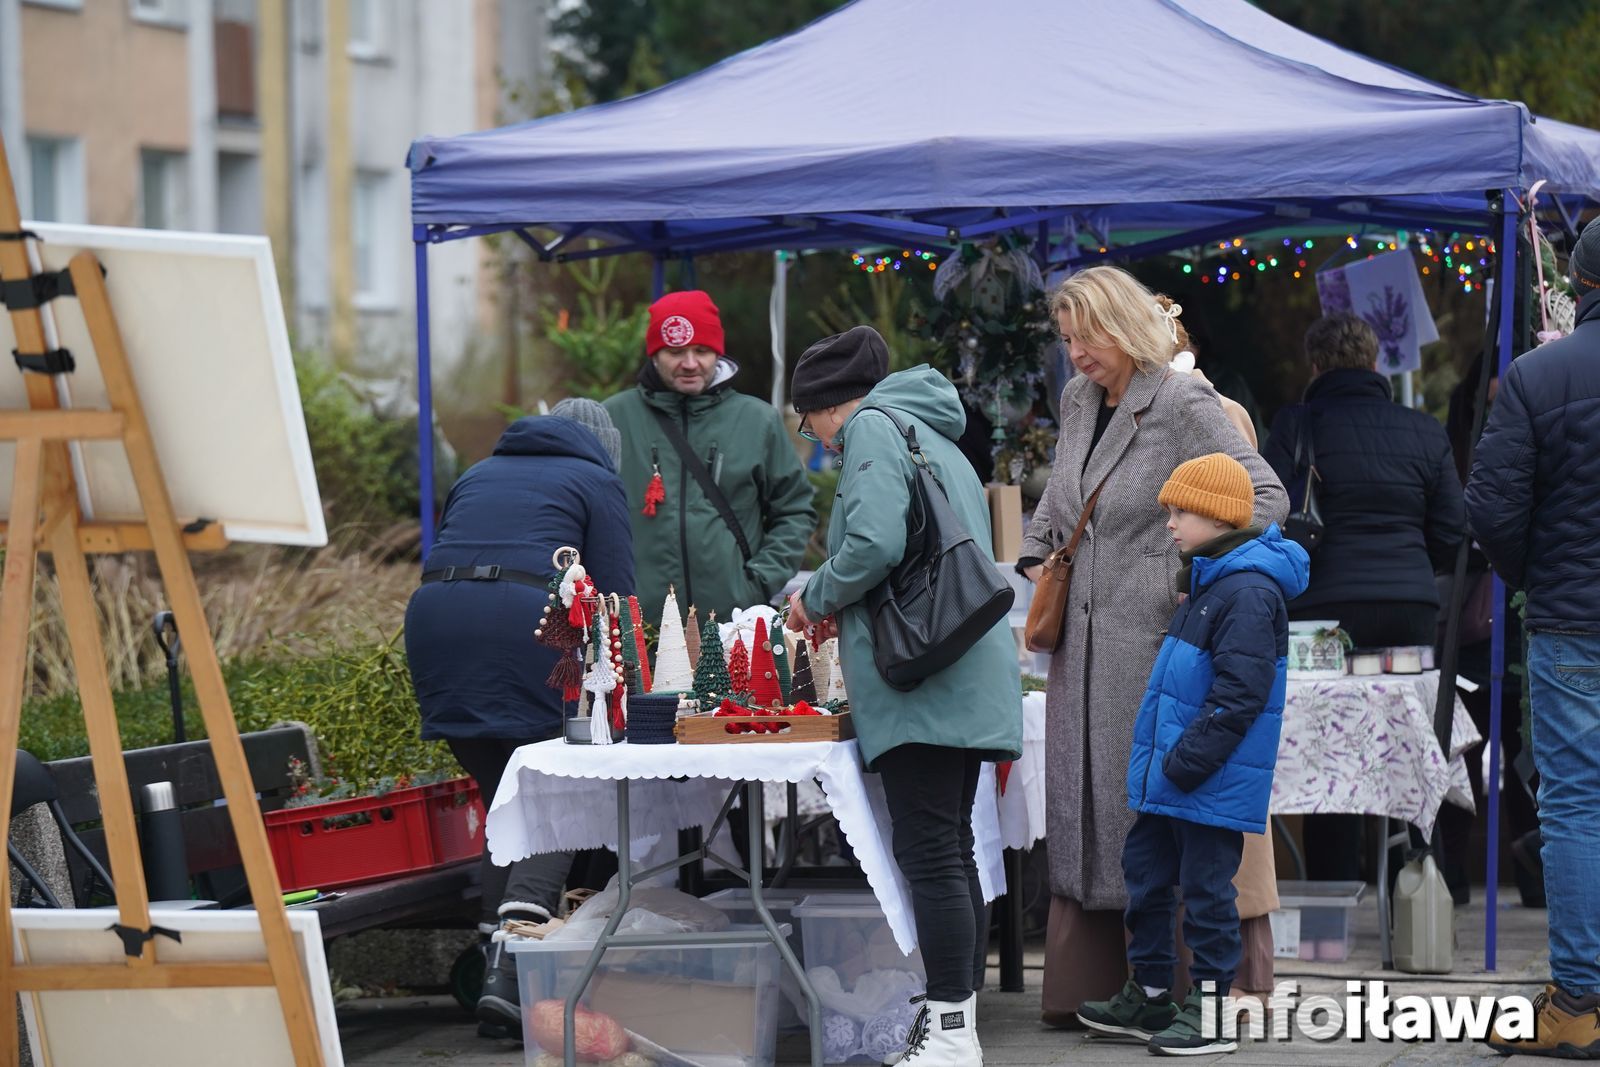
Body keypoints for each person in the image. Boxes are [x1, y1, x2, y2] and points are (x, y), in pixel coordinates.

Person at [1019, 266, 1287, 1026]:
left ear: (1125, 327)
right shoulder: (1078, 400)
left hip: (1156, 644)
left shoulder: (1181, 400)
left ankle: (1183, 991)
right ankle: (1118, 986)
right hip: (1080, 648)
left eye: (1087, 337)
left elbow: (1266, 498)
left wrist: (1191, 575)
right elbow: (1060, 499)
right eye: (1066, 339)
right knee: (1101, 816)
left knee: (1151, 816)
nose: (1075, 353)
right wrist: (1038, 555)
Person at [785, 326, 1022, 1066]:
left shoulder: (871, 430)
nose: (820, 439)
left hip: (922, 680)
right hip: (961, 667)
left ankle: (949, 1034)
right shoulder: (933, 431)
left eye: (810, 423)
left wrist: (814, 596)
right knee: (951, 849)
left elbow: (874, 543)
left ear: (829, 406)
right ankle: (956, 1022)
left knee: (931, 854)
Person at [404, 398, 633, 1032]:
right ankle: (513, 966)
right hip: (522, 628)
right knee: (561, 790)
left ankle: (492, 964)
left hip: (436, 626)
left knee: (506, 799)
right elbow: (615, 595)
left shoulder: (477, 472)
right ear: (605, 446)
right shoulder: (596, 479)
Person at [1078, 453, 1307, 1055]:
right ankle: (1153, 995)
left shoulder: (1248, 591)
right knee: (1146, 877)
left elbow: (1241, 694)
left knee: (1207, 894)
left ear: (1220, 516)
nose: (1170, 523)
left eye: (1181, 511)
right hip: (1174, 777)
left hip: (1204, 778)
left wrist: (1185, 762)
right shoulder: (1210, 582)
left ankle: (1212, 1012)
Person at [1262, 314, 1465, 882]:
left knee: (1333, 746)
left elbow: (1268, 515)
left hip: (1322, 615)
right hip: (1408, 611)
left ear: (1316, 366)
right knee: (1409, 737)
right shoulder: (1423, 430)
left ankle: (1335, 893)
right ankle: (1419, 885)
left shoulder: (1296, 425)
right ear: (1376, 362)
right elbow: (1453, 532)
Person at [1472, 218, 1600, 1058]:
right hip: (1567, 608)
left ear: (1579, 285)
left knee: (1579, 803)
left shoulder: (1538, 374)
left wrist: (1534, 576)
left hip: (1572, 619)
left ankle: (1580, 999)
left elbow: (1491, 509)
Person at [603, 290, 815, 625]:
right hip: (637, 627)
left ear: (717, 352)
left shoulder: (758, 420)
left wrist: (757, 582)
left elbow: (794, 509)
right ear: (655, 355)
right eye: (675, 352)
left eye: (701, 351)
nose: (690, 364)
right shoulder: (613, 418)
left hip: (733, 623)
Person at [1437, 352, 1540, 907]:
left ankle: (1535, 877)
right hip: (1473, 627)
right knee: (1463, 756)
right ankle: (1451, 878)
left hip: (1517, 623)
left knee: (1527, 757)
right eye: (1492, 401)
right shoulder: (1457, 449)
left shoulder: (1524, 437)